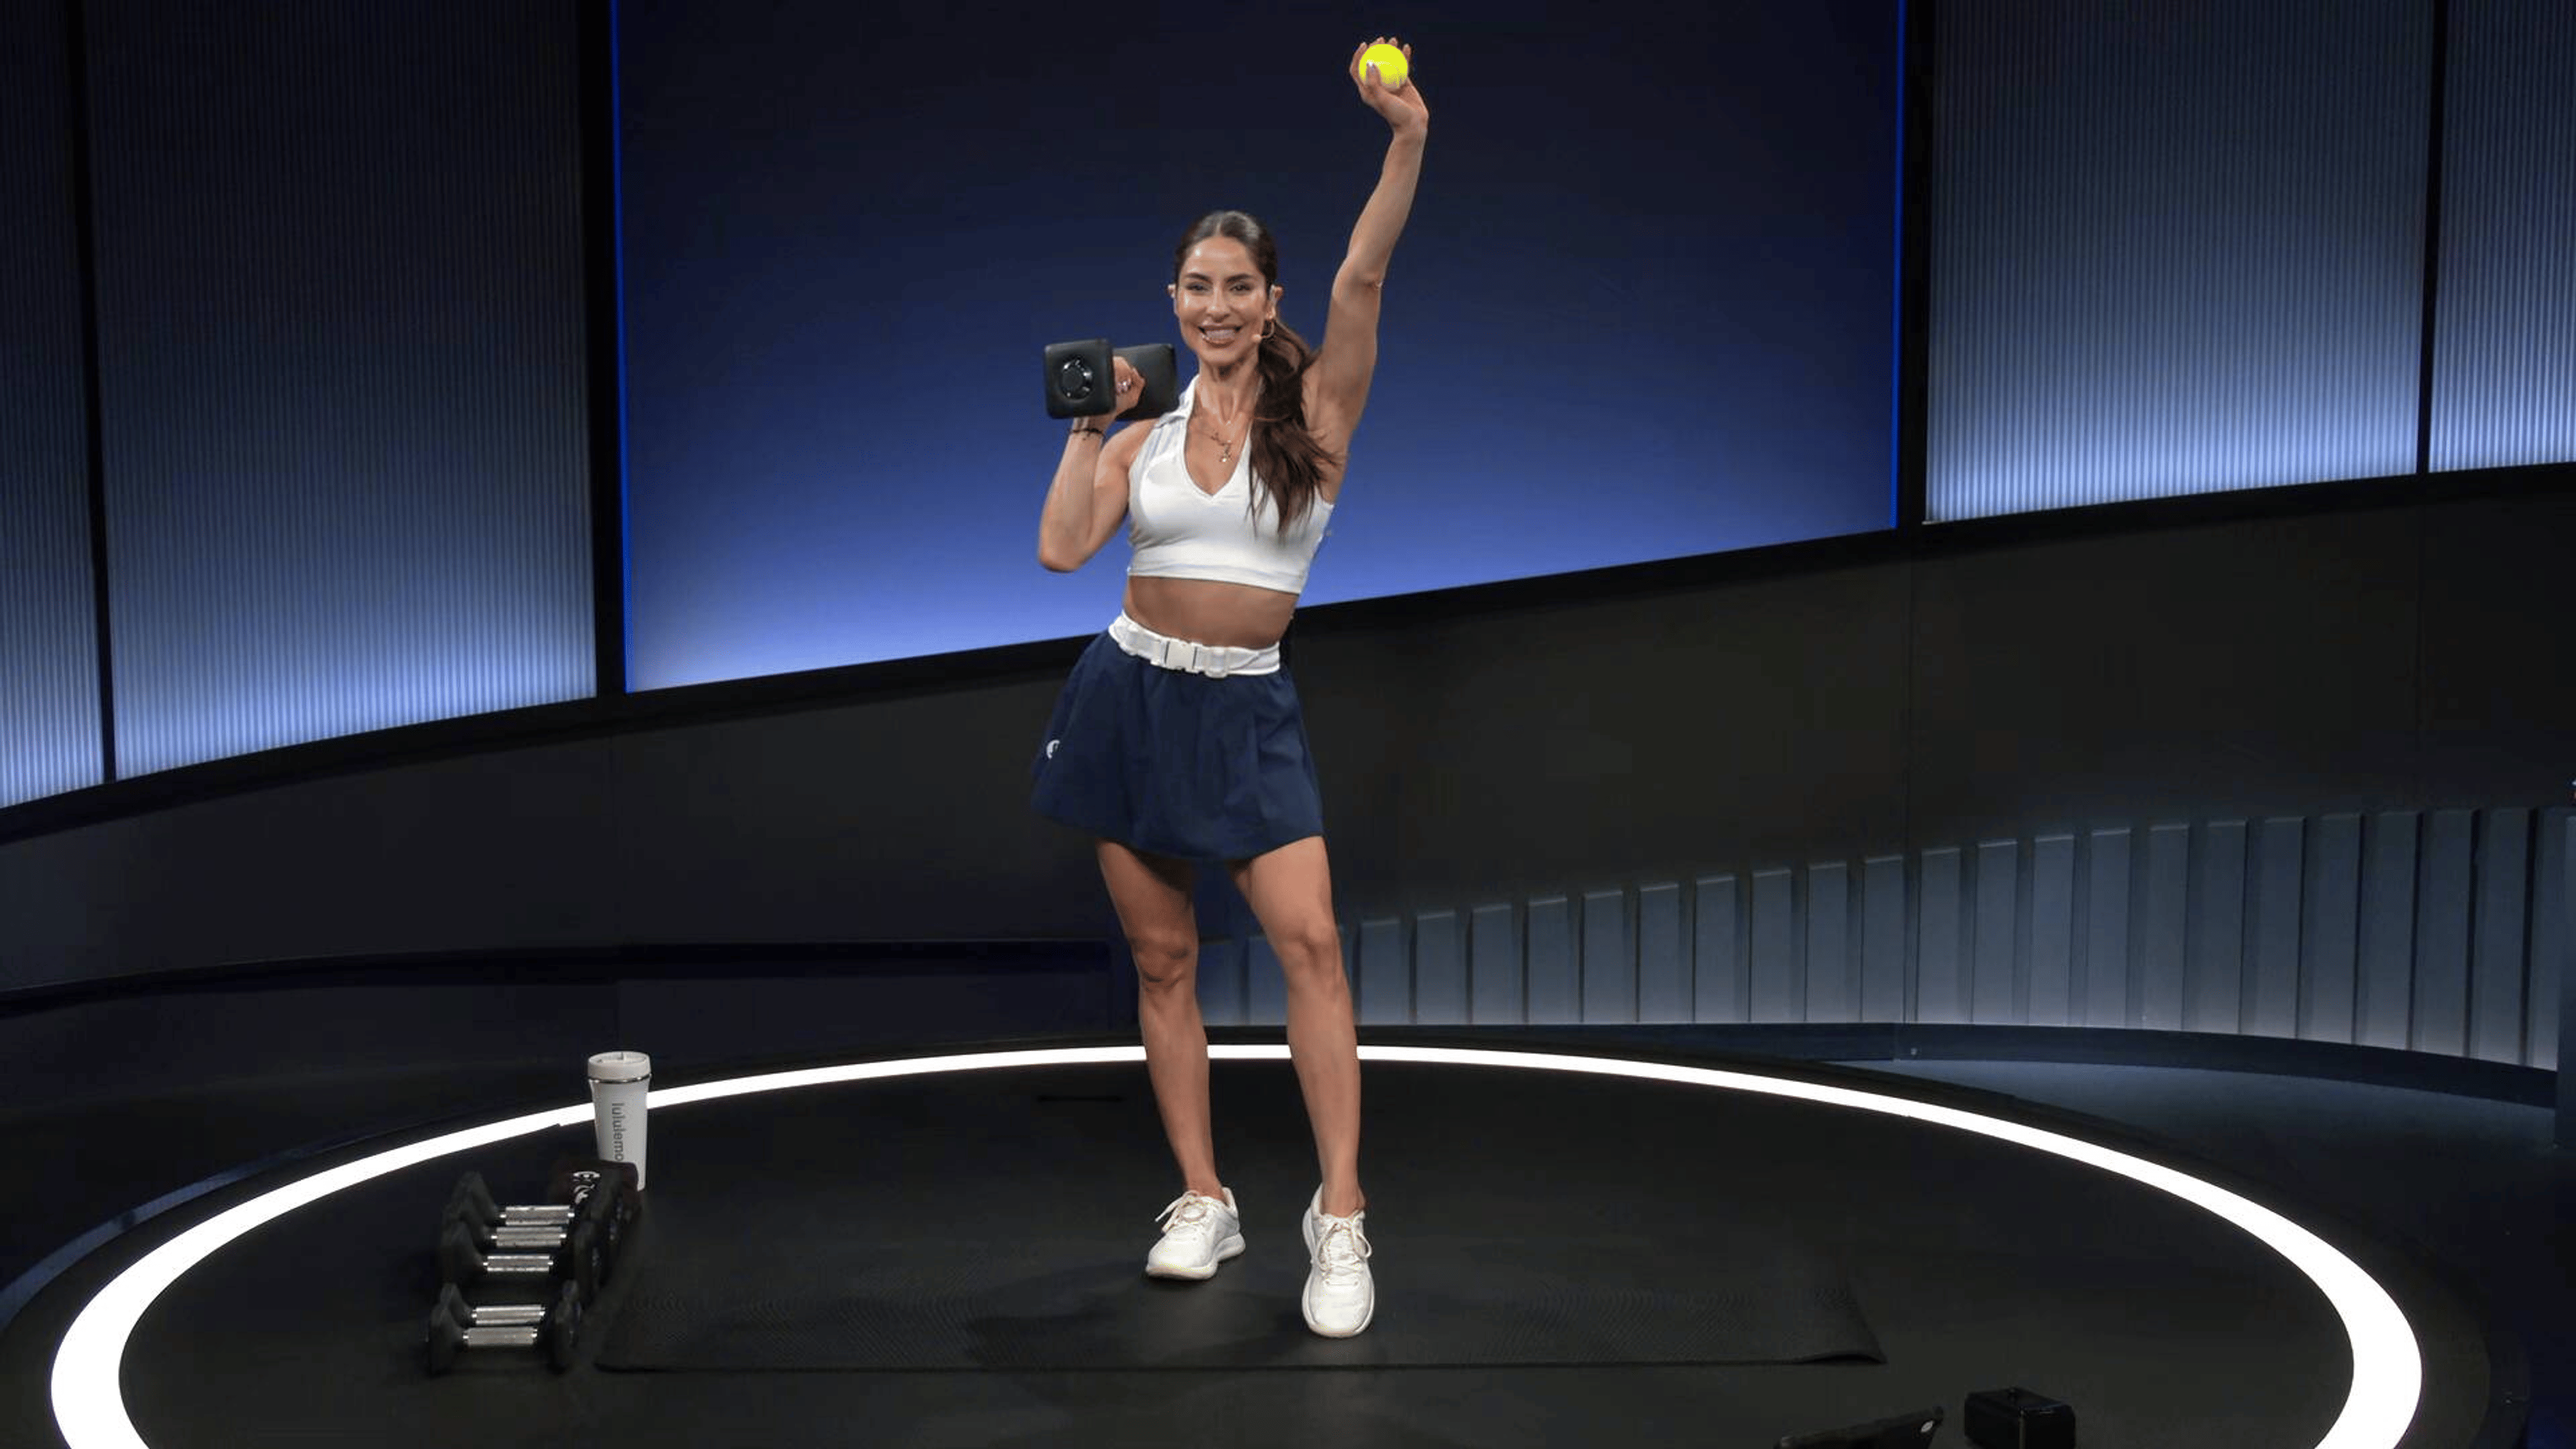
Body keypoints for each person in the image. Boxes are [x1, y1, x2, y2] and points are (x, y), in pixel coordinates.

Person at [1028, 39, 1427, 1339]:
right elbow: (1059, 550)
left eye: (1237, 287)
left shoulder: (1317, 416)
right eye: (1195, 287)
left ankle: (1342, 1213)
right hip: (1131, 696)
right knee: (1161, 961)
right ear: (1176, 297)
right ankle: (1204, 1196)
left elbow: (1365, 271)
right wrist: (1093, 421)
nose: (1215, 305)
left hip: (1246, 704)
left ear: (1269, 299)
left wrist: (1406, 136)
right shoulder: (1139, 435)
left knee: (1309, 945)